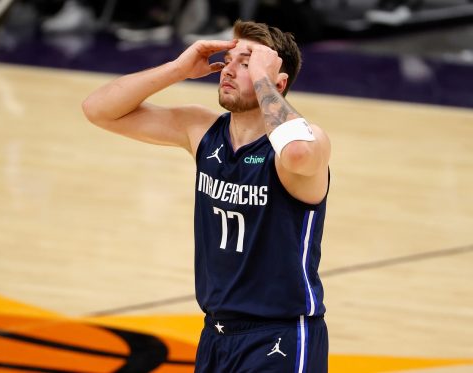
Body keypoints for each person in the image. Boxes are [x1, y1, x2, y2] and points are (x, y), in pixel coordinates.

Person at [82, 20, 330, 372]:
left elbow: (297, 155)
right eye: (229, 59)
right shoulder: (201, 129)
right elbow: (98, 109)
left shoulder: (307, 139)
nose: (228, 69)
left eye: (245, 62)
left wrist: (261, 78)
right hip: (216, 333)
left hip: (281, 337)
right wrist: (176, 69)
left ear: (278, 81)